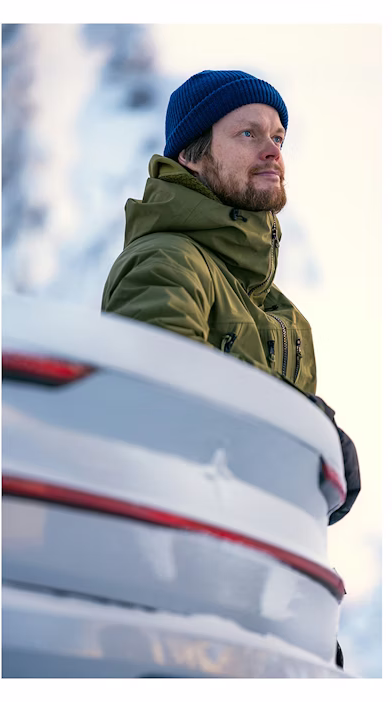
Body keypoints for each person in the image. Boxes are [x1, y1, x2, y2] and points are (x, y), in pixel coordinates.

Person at [101, 70, 359, 526]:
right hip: (183, 539)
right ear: (191, 155)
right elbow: (158, 406)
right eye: (248, 134)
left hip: (259, 547)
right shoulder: (166, 262)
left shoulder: (283, 314)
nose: (273, 150)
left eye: (278, 137)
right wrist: (296, 423)